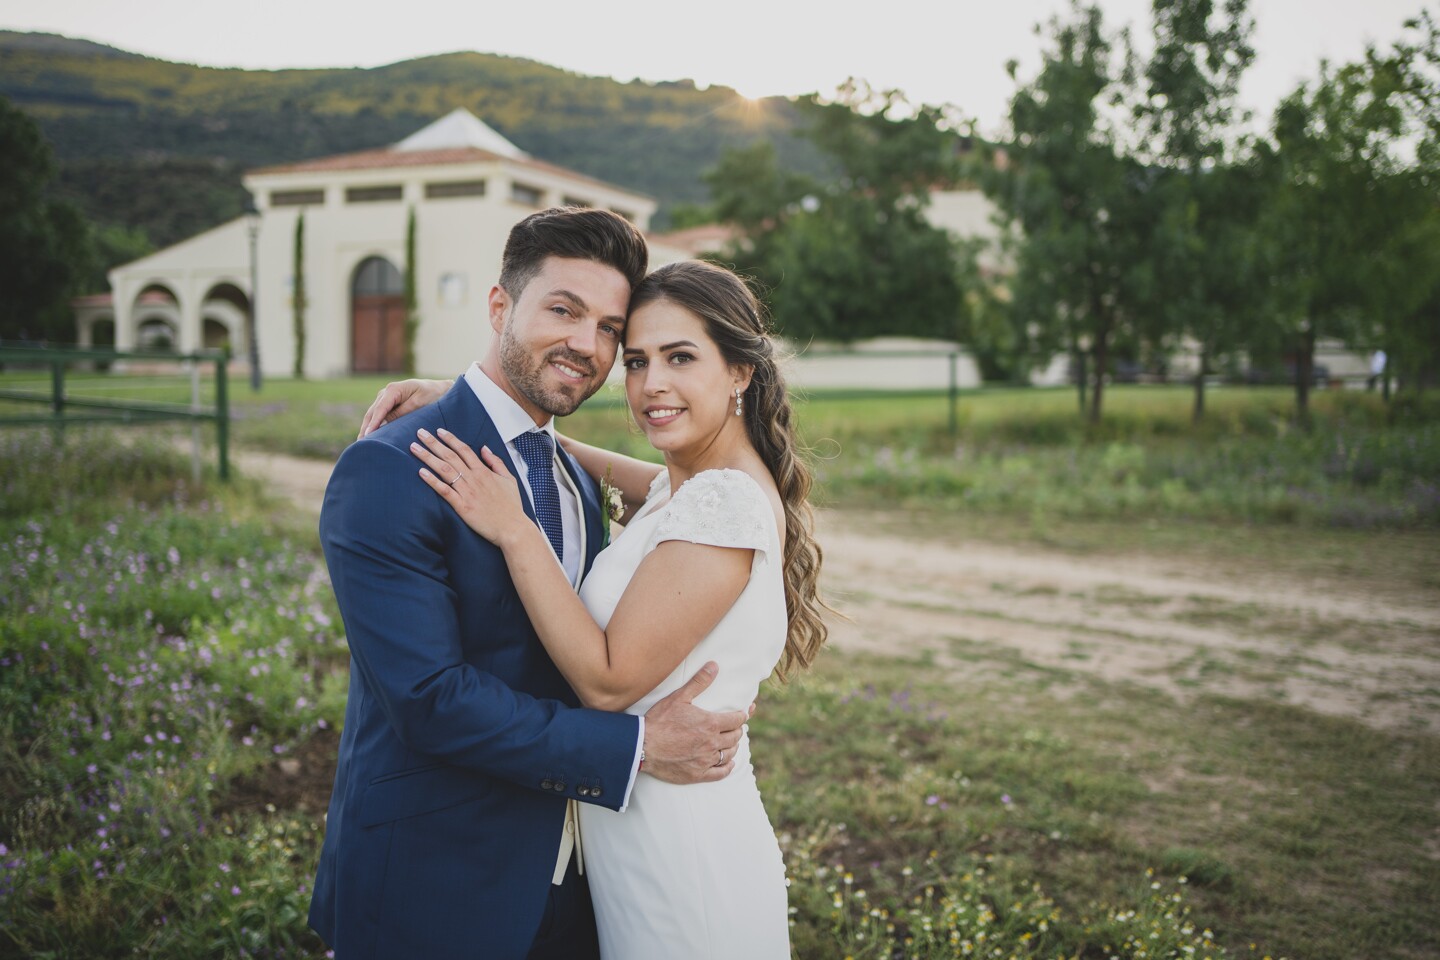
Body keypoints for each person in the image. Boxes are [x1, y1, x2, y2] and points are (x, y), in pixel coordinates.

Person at [310, 208, 750, 960]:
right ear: (499, 307)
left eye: (611, 329)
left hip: (581, 882)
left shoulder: (571, 474)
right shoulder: (392, 468)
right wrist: (637, 748)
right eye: (563, 310)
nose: (588, 345)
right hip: (437, 884)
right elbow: (429, 702)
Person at [366, 259, 828, 958]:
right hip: (638, 834)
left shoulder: (723, 501)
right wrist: (477, 404)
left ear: (741, 372)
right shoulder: (698, 485)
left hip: (679, 856)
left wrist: (515, 528)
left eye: (681, 357)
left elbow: (607, 682)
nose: (652, 386)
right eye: (636, 360)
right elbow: (611, 470)